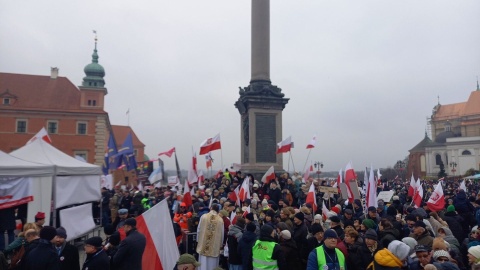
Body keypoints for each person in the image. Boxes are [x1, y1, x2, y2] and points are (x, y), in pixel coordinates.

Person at [196, 204, 224, 270]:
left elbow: (199, 229)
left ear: (211, 208)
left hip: (203, 244)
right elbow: (222, 233)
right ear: (218, 210)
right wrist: (220, 244)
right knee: (212, 265)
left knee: (203, 263)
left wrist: (198, 240)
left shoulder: (204, 216)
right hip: (214, 246)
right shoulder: (220, 220)